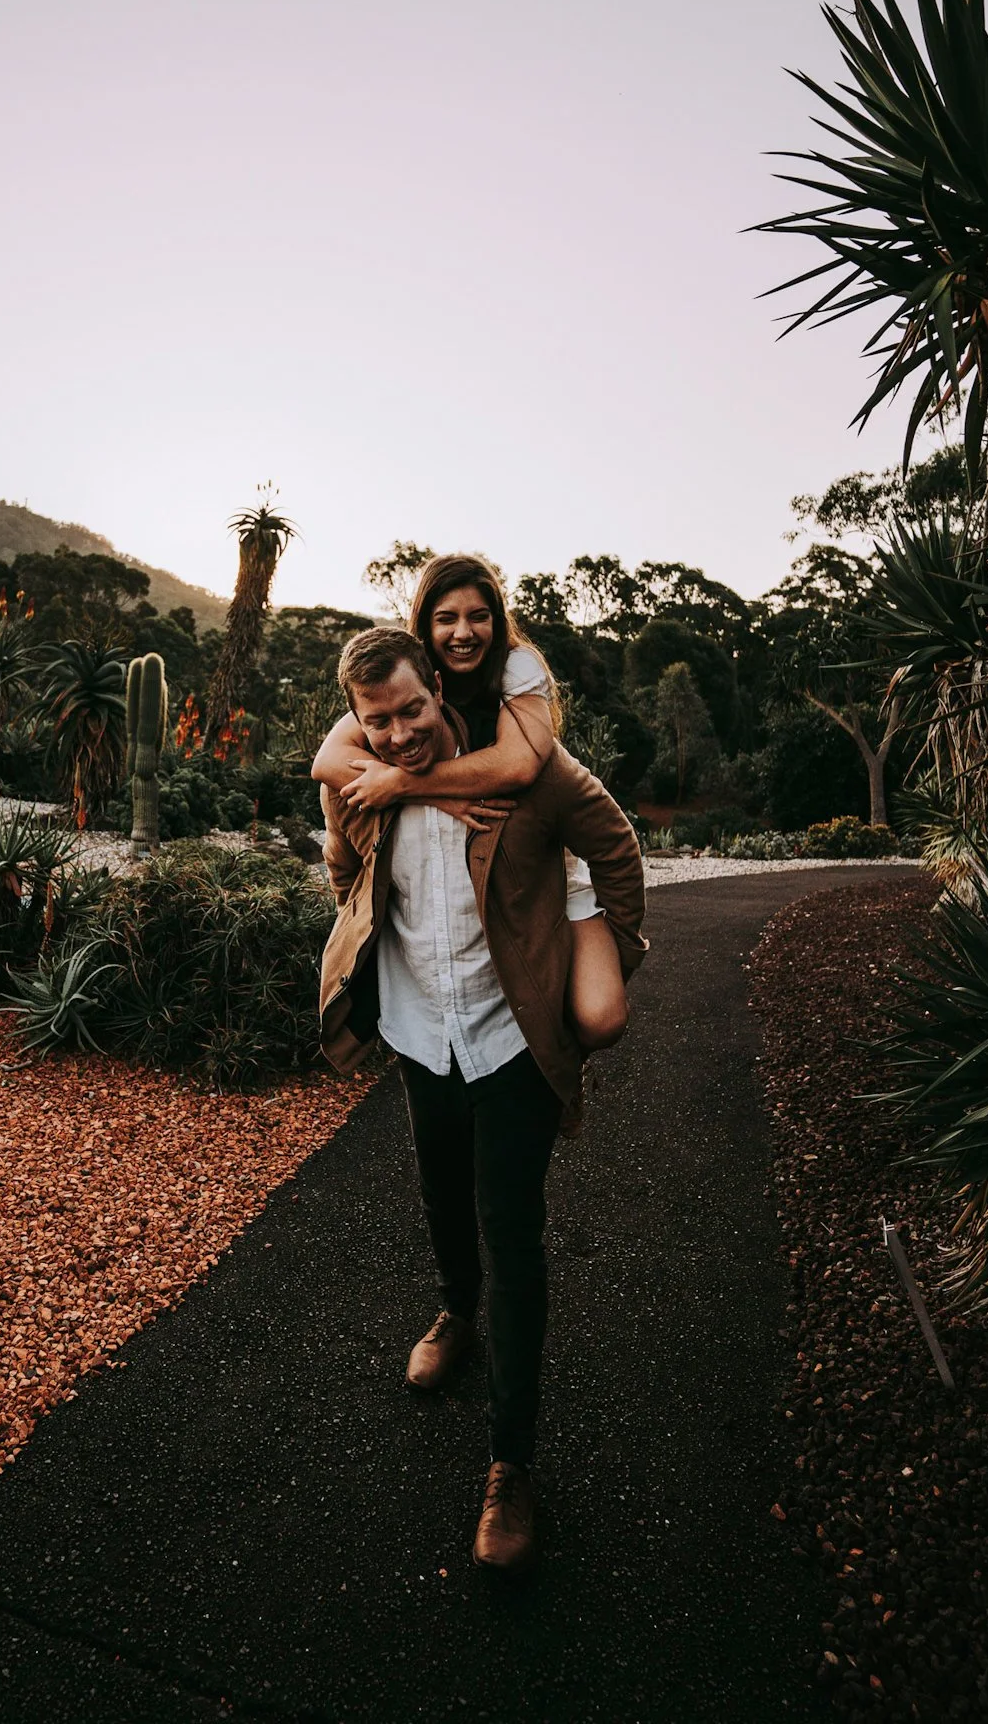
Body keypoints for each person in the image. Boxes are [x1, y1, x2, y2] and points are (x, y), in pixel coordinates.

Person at [318, 625, 647, 1572]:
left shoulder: (522, 774)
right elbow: (345, 869)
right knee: (439, 1196)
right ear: (359, 721)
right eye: (377, 721)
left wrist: (602, 946)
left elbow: (615, 844)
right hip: (423, 1034)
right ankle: (455, 1315)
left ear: (440, 696)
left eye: (413, 710)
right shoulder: (358, 785)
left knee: (512, 1228)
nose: (398, 735)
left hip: (511, 1041)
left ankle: (511, 1467)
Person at [312, 553, 628, 1053]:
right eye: (446, 618)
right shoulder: (407, 674)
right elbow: (327, 760)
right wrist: (439, 795)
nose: (463, 632)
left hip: (549, 865)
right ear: (424, 625)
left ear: (497, 621)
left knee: (601, 1019)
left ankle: (553, 1030)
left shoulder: (515, 665)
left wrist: (410, 785)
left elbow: (521, 764)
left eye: (478, 616)